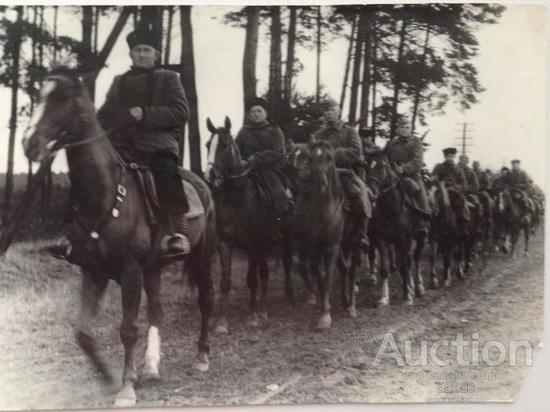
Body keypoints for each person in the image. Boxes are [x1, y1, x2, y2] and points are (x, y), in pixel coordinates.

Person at [50, 27, 191, 259]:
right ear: (131, 55)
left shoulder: (169, 79)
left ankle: (177, 233)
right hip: (120, 146)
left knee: (166, 172)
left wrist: (144, 113)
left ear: (156, 55)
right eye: (137, 50)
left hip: (157, 144)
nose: (142, 55)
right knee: (85, 175)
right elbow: (104, 116)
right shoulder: (119, 82)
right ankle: (71, 235)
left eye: (147, 50)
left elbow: (180, 112)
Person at [311, 99, 370, 249]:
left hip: (344, 173)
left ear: (338, 111)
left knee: (361, 191)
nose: (329, 113)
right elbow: (312, 152)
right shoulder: (318, 134)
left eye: (332, 110)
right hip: (322, 173)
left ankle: (362, 233)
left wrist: (333, 154)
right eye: (327, 111)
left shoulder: (349, 131)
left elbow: (356, 152)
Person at [235, 97, 289, 218]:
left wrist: (254, 159)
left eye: (259, 111)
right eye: (253, 112)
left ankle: (279, 221)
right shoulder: (243, 132)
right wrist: (241, 160)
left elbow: (278, 151)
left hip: (269, 169)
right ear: (249, 115)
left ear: (266, 113)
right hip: (246, 170)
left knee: (279, 195)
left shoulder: (274, 130)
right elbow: (236, 149)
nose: (256, 114)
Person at [383, 114, 432, 235]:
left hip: (411, 175)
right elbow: (384, 155)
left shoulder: (416, 143)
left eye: (407, 126)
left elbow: (417, 162)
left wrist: (404, 169)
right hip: (392, 174)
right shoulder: (392, 143)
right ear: (398, 129)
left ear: (411, 128)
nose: (405, 129)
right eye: (402, 126)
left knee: (419, 191)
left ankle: (422, 222)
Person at [431, 147, 470, 233]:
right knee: (433, 205)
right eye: (448, 156)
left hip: (454, 192)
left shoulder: (458, 169)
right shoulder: (439, 167)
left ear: (454, 157)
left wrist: (457, 187)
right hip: (441, 190)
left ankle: (463, 227)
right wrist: (437, 181)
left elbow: (464, 183)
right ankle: (430, 229)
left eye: (452, 156)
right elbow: (433, 178)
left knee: (461, 205)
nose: (450, 158)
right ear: (445, 157)